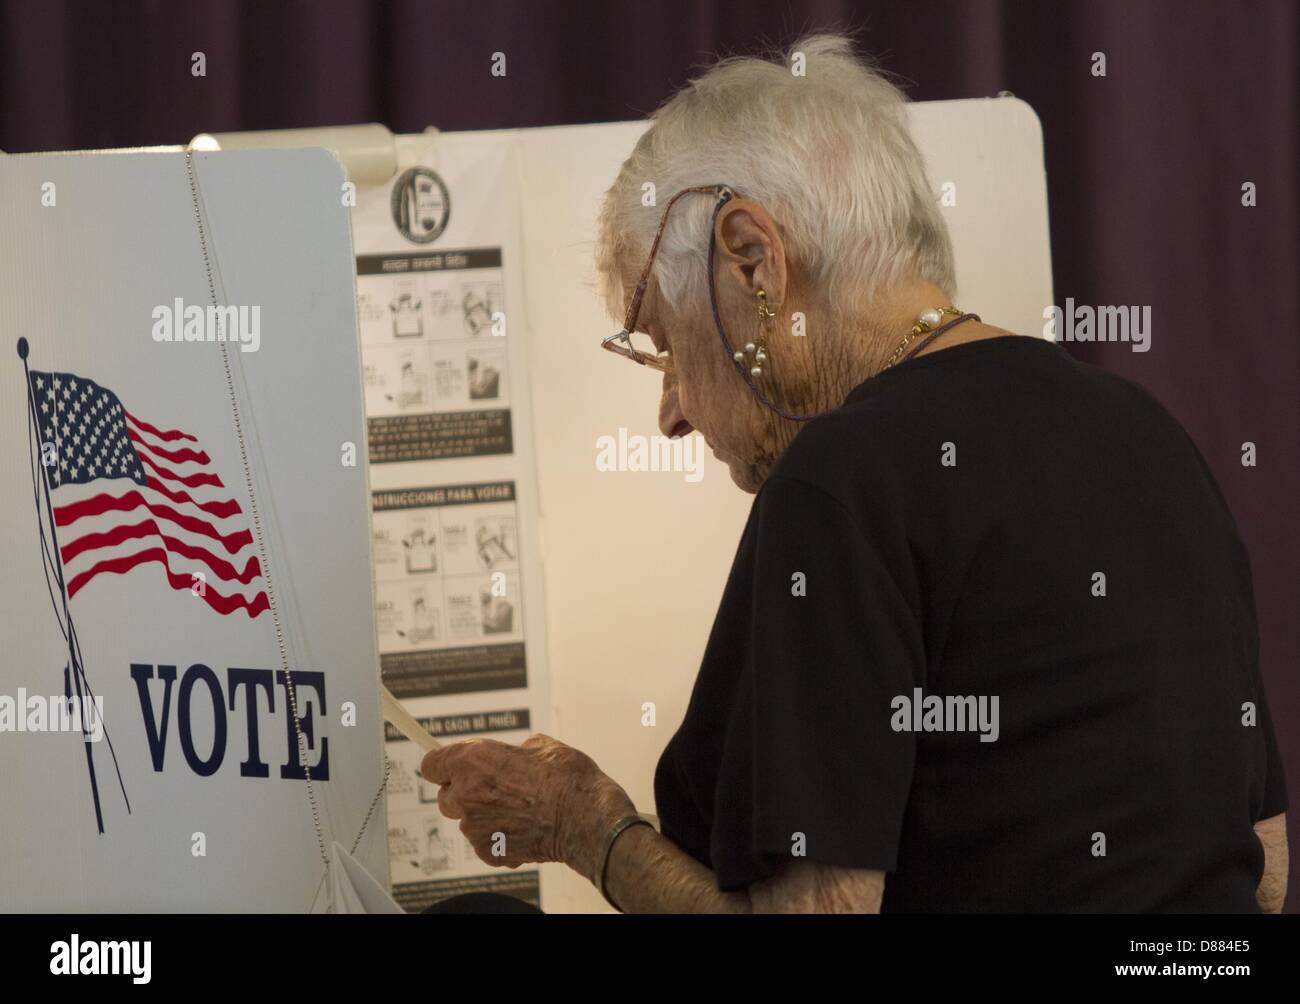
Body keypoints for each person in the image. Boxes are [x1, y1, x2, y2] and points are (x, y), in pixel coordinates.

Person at [419, 34, 1288, 913]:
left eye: (667, 345)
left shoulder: (841, 477)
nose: (672, 411)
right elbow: (1266, 861)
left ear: (752, 258)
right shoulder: (1152, 435)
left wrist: (585, 826)